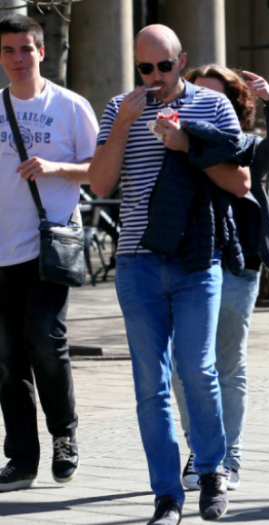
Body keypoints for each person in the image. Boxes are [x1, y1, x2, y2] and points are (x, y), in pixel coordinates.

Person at [89, 24, 251, 525]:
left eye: (164, 66)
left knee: (197, 369)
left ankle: (211, 471)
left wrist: (186, 146)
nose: (154, 76)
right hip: (137, 262)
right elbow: (98, 184)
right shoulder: (120, 108)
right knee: (149, 381)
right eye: (144, 68)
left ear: (183, 61)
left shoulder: (213, 106)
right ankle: (165, 495)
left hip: (196, 259)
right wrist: (123, 128)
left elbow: (241, 182)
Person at [172, 65, 269, 491]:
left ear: (233, 104)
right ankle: (202, 451)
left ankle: (230, 454)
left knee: (227, 364)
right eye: (196, 98)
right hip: (187, 261)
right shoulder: (176, 141)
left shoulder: (248, 148)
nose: (201, 107)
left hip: (238, 264)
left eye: (214, 99)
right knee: (183, 367)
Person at [0, 14, 95, 492]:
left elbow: (101, 169)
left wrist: (56, 166)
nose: (18, 59)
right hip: (0, 250)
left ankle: (65, 435)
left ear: (41, 51)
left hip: (48, 245)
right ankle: (21, 458)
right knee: (4, 356)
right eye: (8, 51)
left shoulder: (70, 106)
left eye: (25, 49)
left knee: (43, 337)